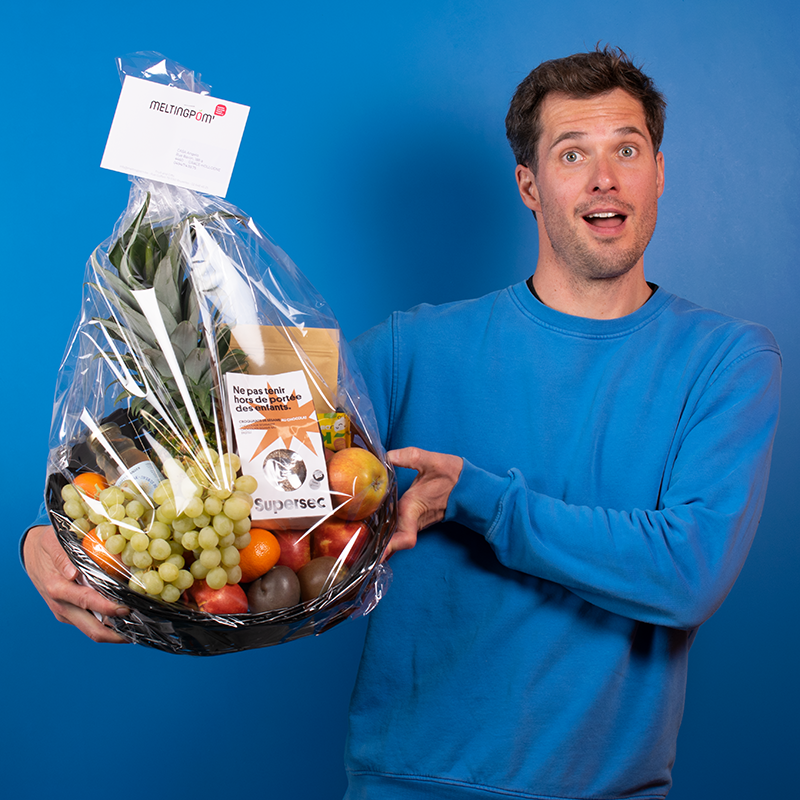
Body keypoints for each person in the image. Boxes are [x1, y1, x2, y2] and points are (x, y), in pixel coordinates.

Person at [22, 46, 781, 799]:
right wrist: (47, 536)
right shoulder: (406, 348)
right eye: (571, 153)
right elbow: (218, 450)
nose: (603, 177)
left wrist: (476, 497)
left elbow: (689, 573)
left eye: (627, 148)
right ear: (530, 184)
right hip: (402, 786)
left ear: (658, 172)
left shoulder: (727, 360)